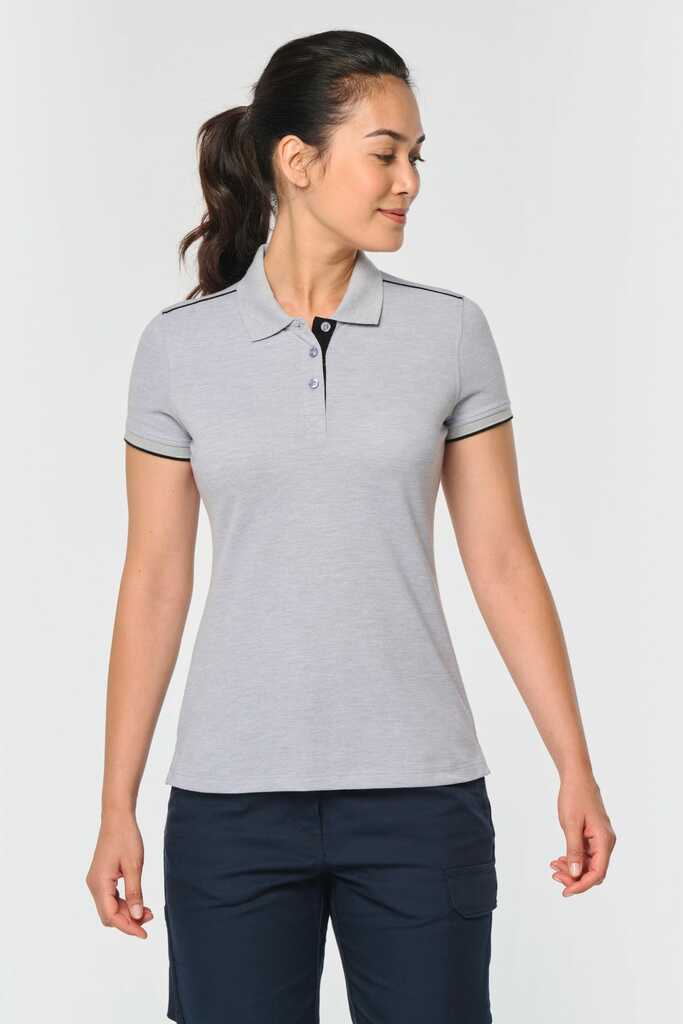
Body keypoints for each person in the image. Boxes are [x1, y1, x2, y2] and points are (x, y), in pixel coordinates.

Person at [86, 28, 616, 1024]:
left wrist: (573, 765)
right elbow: (153, 580)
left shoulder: (449, 334)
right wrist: (115, 803)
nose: (407, 181)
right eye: (384, 153)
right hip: (230, 804)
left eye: (416, 156)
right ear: (297, 161)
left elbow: (501, 561)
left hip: (420, 798)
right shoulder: (178, 350)